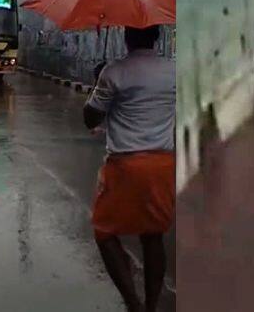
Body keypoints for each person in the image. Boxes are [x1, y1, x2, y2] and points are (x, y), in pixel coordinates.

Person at [83, 25, 176, 312]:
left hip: (125, 165)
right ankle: (150, 306)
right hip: (163, 165)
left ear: (126, 37)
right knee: (153, 235)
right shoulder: (174, 71)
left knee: (104, 232)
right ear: (157, 37)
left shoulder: (114, 72)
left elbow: (90, 118)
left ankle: (133, 303)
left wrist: (99, 83)